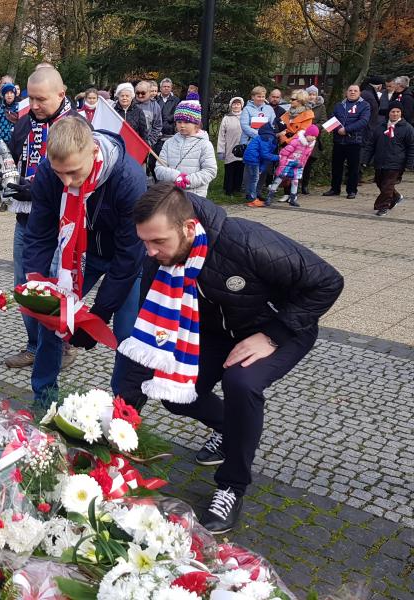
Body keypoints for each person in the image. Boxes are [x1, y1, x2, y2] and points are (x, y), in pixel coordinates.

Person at [118, 182, 343, 533]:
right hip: (216, 332)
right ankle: (229, 428)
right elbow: (152, 340)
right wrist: (120, 422)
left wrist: (273, 335)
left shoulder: (246, 241)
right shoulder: (160, 263)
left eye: (158, 241)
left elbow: (328, 282)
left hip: (279, 328)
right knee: (174, 391)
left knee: (242, 382)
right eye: (144, 241)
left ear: (189, 227)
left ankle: (232, 487)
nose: (149, 252)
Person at [22, 116, 146, 405]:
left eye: (73, 173)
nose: (67, 182)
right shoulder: (47, 174)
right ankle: (44, 399)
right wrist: (35, 284)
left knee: (127, 337)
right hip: (77, 255)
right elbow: (39, 233)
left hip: (123, 258)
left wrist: (99, 315)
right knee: (54, 320)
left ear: (93, 152)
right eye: (59, 173)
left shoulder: (128, 179)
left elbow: (129, 256)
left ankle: (123, 411)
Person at [0, 67, 78, 371]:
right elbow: (13, 158)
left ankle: (63, 345)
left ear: (61, 93)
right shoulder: (24, 124)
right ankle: (34, 345)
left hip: (61, 219)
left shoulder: (75, 126)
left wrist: (41, 188)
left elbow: (79, 177)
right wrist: (6, 176)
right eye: (29, 98)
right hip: (25, 216)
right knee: (25, 284)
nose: (33, 105)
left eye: (40, 99)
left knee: (58, 285)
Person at [155, 94, 217, 196]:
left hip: (194, 197)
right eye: (179, 122)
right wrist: (176, 177)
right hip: (171, 195)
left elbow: (210, 171)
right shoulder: (169, 143)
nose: (182, 125)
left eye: (187, 122)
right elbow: (159, 169)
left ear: (196, 123)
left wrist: (187, 181)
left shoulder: (205, 144)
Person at [361, 101, 414, 216]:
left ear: (401, 113)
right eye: (393, 111)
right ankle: (396, 196)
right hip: (380, 161)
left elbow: (411, 147)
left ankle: (383, 207)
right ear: (388, 113)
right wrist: (365, 160)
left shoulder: (407, 128)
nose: (395, 114)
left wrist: (410, 163)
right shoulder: (380, 127)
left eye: (398, 112)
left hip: (396, 162)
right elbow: (371, 144)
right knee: (380, 183)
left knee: (387, 185)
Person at [323, 84, 370, 199]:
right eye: (350, 90)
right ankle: (335, 189)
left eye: (355, 91)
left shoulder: (365, 105)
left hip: (354, 141)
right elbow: (332, 118)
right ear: (346, 92)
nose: (352, 92)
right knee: (336, 166)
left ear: (359, 93)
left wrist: (347, 129)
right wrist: (338, 129)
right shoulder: (339, 105)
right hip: (339, 140)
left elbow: (363, 121)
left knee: (353, 167)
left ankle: (351, 190)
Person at [263, 125, 319, 207]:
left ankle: (292, 198)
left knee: (295, 181)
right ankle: (269, 197)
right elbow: (284, 152)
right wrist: (283, 163)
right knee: (279, 179)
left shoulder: (310, 145)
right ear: (307, 134)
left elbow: (306, 156)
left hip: (298, 165)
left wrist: (302, 165)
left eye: (315, 136)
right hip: (287, 163)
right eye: (312, 135)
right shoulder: (296, 141)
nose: (313, 138)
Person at [243, 122, 279, 205]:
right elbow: (265, 155)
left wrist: (261, 168)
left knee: (253, 178)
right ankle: (252, 199)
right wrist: (279, 157)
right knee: (254, 179)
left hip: (252, 158)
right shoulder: (268, 138)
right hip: (253, 159)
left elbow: (264, 157)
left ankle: (252, 195)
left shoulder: (264, 137)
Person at [300, 85, 326, 195]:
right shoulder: (302, 105)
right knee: (298, 162)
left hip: (313, 138)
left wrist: (313, 128)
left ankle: (305, 185)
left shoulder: (321, 107)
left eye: (313, 94)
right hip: (301, 136)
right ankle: (294, 184)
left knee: (308, 163)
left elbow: (323, 121)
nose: (311, 96)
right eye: (309, 94)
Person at [216, 97, 244, 196]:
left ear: (241, 105)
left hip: (242, 147)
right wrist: (221, 150)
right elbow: (221, 135)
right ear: (231, 105)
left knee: (240, 168)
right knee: (230, 169)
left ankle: (237, 188)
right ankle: (228, 189)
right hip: (229, 147)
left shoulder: (245, 117)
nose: (236, 106)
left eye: (238, 104)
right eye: (234, 104)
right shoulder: (226, 118)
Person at [135, 80, 163, 148]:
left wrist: (149, 142)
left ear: (149, 92)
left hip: (145, 146)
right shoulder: (129, 103)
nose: (140, 95)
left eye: (143, 93)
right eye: (137, 93)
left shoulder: (155, 106)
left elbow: (157, 127)